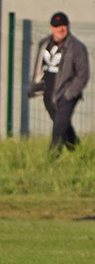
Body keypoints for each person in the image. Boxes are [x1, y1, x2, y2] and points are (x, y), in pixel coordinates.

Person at [29, 11, 90, 156]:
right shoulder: (44, 44)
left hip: (66, 94)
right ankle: (78, 153)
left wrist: (70, 94)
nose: (60, 29)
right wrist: (36, 87)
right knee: (63, 126)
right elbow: (39, 66)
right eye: (57, 26)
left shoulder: (76, 47)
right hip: (48, 93)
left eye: (63, 25)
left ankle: (51, 159)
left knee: (58, 128)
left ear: (68, 27)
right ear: (51, 27)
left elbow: (83, 74)